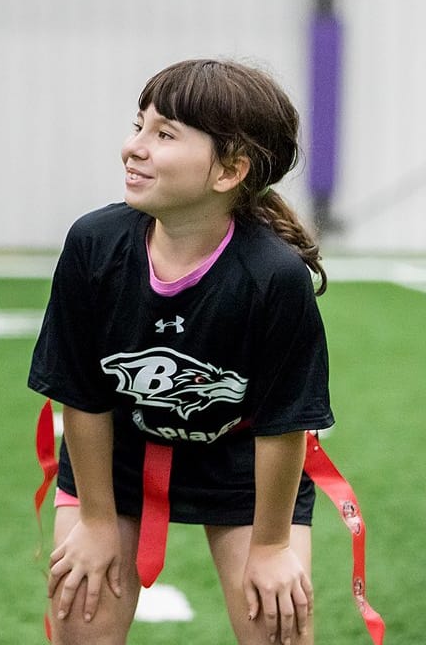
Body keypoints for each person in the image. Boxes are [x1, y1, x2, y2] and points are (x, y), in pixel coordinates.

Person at [28, 59, 334, 645]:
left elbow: (282, 424)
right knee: (79, 620)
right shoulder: (93, 244)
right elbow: (83, 396)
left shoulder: (273, 276)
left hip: (243, 462)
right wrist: (95, 521)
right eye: (137, 125)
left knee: (280, 630)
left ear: (230, 170)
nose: (132, 147)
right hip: (113, 456)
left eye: (163, 134)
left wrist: (270, 547)